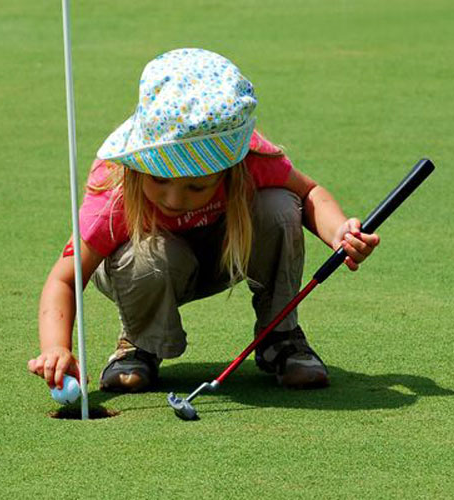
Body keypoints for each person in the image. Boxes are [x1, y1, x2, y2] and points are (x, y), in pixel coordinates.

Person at [28, 48, 380, 393]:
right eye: (159, 178)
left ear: (228, 169)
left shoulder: (249, 160)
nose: (174, 199)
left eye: (196, 185)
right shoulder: (115, 191)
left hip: (225, 253)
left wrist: (339, 234)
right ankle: (139, 345)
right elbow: (64, 280)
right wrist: (56, 348)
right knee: (148, 257)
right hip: (143, 270)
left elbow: (309, 192)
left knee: (280, 206)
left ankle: (280, 337)